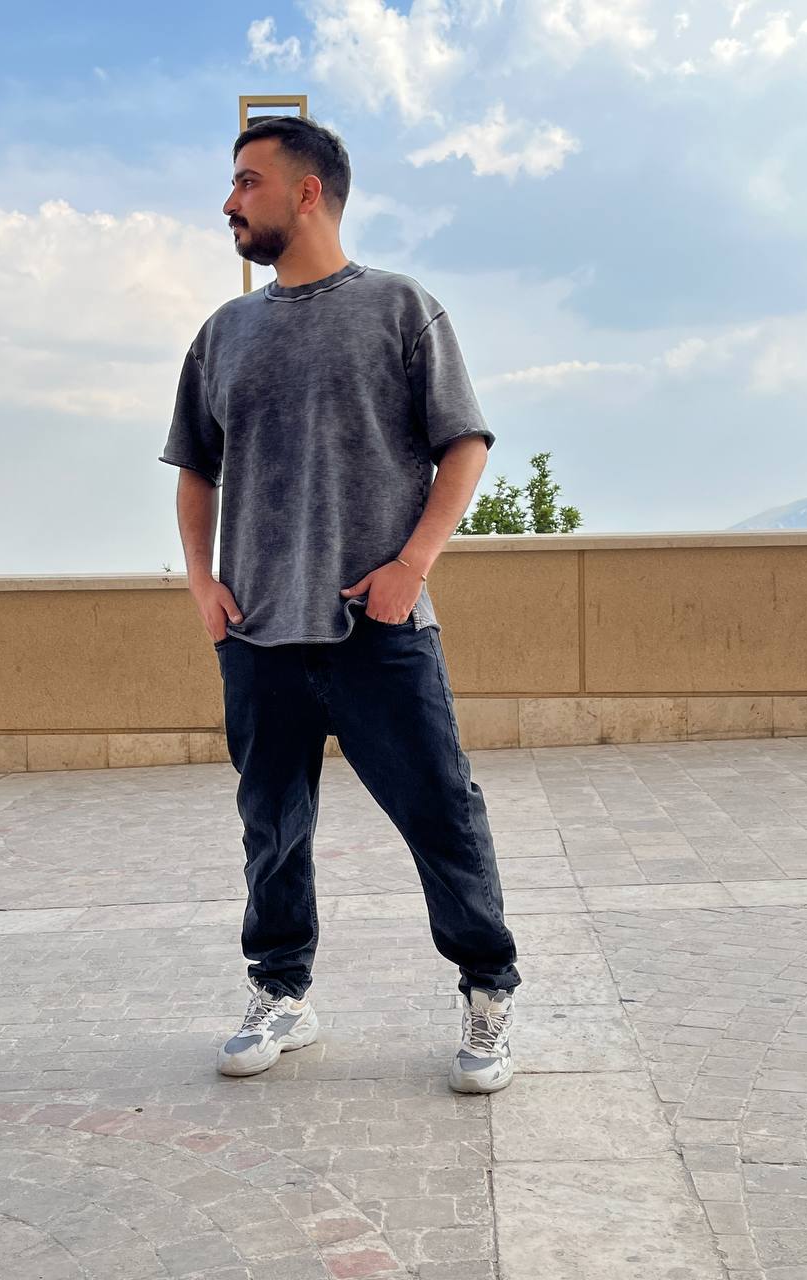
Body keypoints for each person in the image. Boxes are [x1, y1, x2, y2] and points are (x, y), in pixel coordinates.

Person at [159, 115, 520, 1094]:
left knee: (442, 812)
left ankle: (488, 988)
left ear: (307, 192)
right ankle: (281, 989)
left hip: (379, 628)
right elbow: (194, 466)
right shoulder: (223, 333)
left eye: (247, 181)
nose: (229, 202)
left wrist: (413, 563)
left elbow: (465, 443)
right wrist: (202, 582)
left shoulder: (401, 308)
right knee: (270, 824)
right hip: (257, 633)